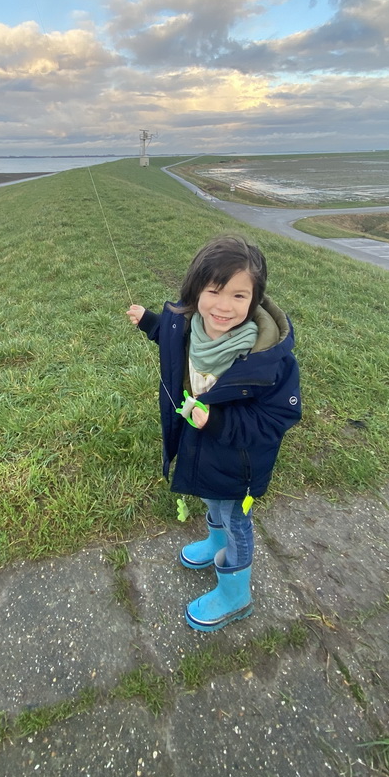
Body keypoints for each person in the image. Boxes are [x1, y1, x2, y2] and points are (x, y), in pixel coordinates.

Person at [126, 234, 301, 632]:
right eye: (214, 291)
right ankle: (214, 542)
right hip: (199, 449)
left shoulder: (268, 359)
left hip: (239, 463)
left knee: (235, 518)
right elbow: (171, 341)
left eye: (239, 296)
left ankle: (236, 595)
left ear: (255, 300)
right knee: (210, 500)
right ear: (195, 292)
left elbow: (277, 420)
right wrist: (151, 322)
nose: (224, 306)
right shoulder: (189, 327)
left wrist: (218, 422)